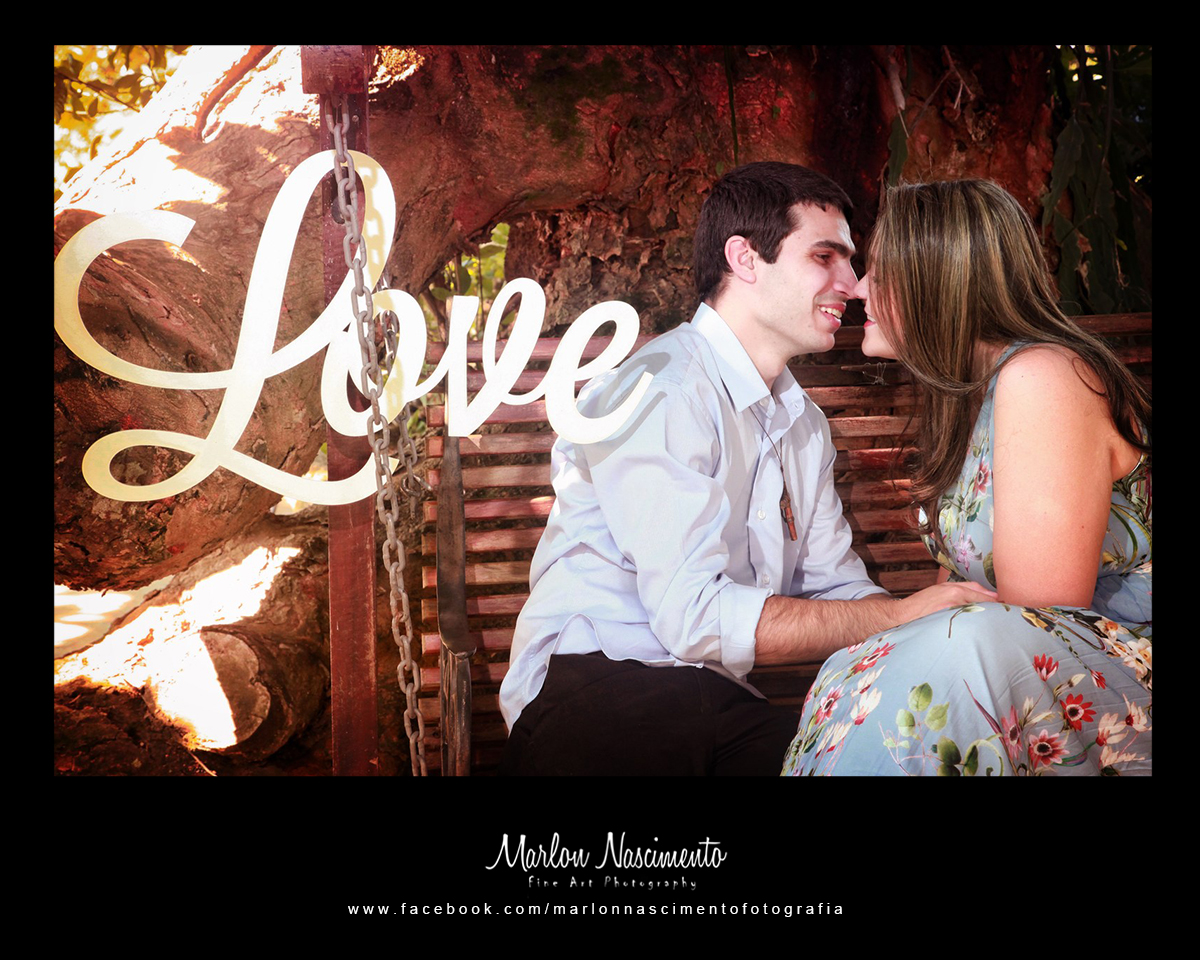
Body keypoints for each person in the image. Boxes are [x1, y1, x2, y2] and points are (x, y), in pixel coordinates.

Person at [498, 161, 994, 776]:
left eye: (850, 261)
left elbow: (834, 585)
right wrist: (896, 615)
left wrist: (935, 630)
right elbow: (694, 617)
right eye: (825, 257)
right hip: (597, 684)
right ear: (745, 259)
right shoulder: (663, 391)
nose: (852, 282)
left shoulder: (802, 425)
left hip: (720, 697)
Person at [781, 179, 1152, 776]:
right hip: (1022, 662)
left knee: (961, 651)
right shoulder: (968, 396)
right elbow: (964, 585)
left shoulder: (1043, 377)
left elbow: (1038, 618)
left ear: (940, 279)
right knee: (888, 657)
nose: (858, 287)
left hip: (1118, 677)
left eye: (881, 271)